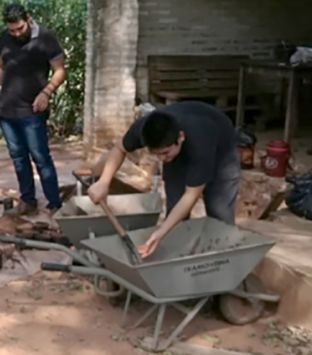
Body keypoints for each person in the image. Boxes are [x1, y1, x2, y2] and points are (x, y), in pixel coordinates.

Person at [87, 101, 240, 258]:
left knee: (219, 216)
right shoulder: (145, 129)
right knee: (175, 210)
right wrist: (104, 182)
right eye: (156, 154)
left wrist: (160, 233)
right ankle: (178, 261)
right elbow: (119, 148)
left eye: (165, 152)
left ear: (180, 137)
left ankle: (223, 263)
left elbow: (191, 196)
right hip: (183, 149)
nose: (161, 159)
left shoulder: (200, 143)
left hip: (221, 152)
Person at [0, 3, 66, 216]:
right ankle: (28, 200)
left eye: (19, 28)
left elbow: (59, 71)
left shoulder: (46, 37)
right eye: (11, 30)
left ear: (28, 19)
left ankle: (54, 203)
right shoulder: (4, 37)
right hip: (6, 110)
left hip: (32, 109)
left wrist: (46, 92)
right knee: (18, 157)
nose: (16, 33)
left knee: (40, 157)